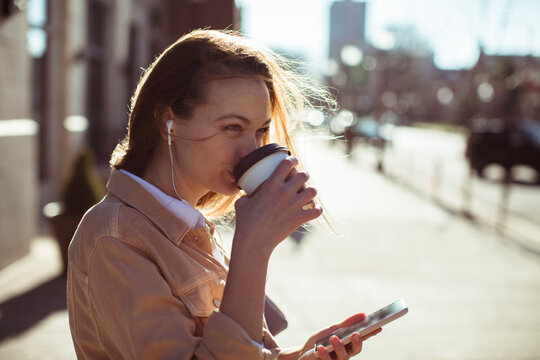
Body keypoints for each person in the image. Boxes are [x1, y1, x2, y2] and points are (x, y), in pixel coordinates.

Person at [67, 29, 380, 360]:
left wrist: (299, 356)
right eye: (233, 127)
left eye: (260, 131)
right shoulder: (114, 237)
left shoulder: (192, 228)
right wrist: (252, 248)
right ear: (167, 122)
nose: (250, 150)